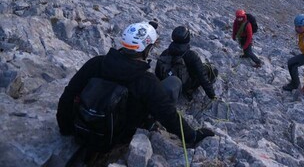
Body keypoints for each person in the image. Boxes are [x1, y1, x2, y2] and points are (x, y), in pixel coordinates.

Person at [56, 22, 214, 150]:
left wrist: (65, 128)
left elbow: (69, 94)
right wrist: (192, 136)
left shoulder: (96, 63)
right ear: (147, 49)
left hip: (82, 127)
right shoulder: (145, 81)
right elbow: (169, 116)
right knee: (172, 84)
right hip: (116, 138)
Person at [155, 26, 218, 101]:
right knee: (211, 69)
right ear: (187, 38)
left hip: (170, 84)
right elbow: (202, 77)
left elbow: (157, 72)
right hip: (185, 85)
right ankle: (189, 91)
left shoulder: (166, 52)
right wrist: (212, 95)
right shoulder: (191, 55)